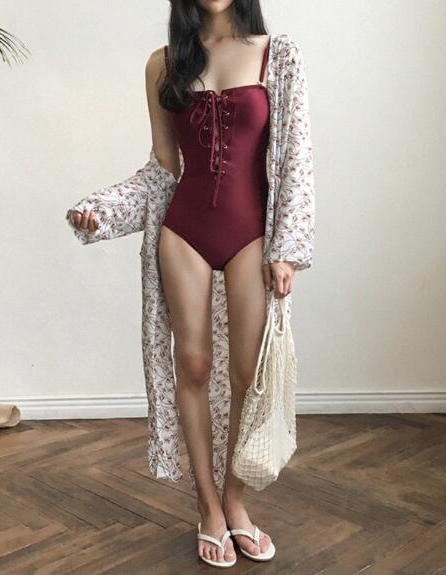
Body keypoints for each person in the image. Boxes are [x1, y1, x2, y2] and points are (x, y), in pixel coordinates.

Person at [68, 0, 315, 568]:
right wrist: (101, 210)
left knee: (248, 373)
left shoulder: (279, 55)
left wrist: (287, 250)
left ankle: (235, 500)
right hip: (184, 232)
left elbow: (296, 158)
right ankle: (208, 506)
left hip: (253, 234)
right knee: (194, 364)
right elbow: (162, 166)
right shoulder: (163, 64)